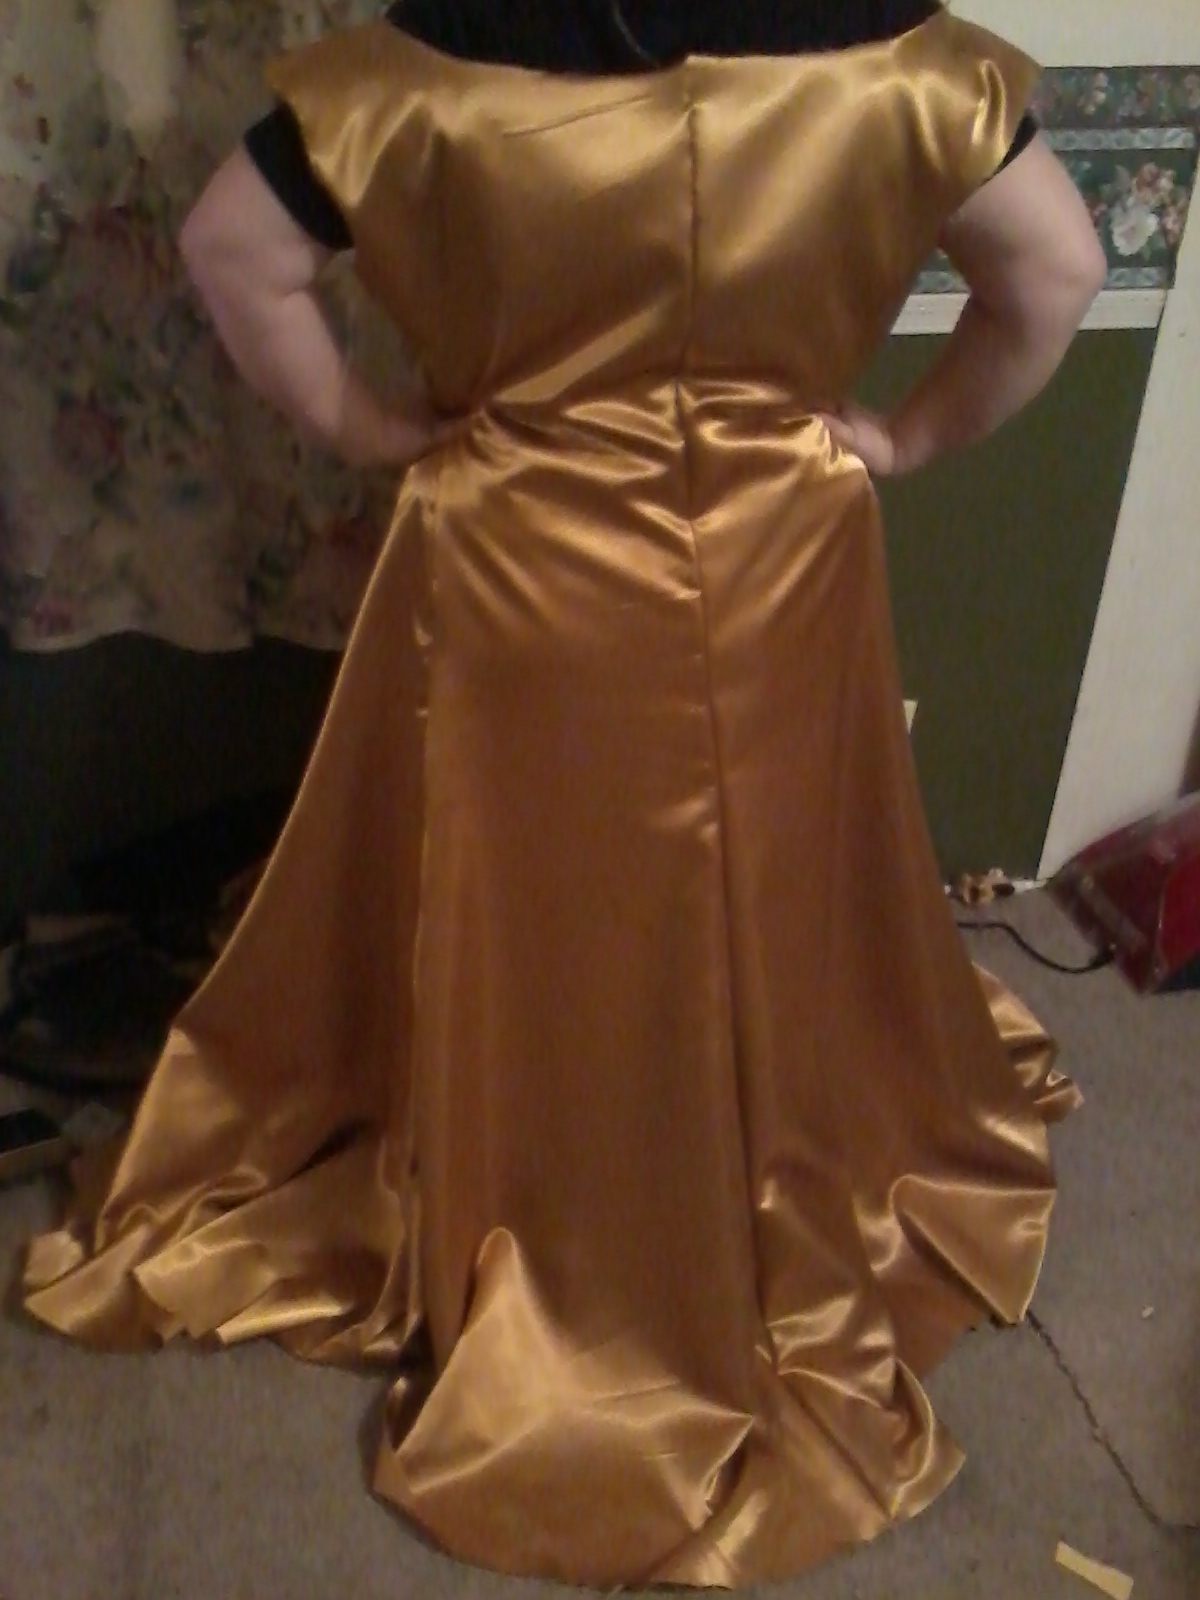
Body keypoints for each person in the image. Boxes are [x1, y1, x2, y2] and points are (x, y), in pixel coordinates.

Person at [24, 1, 1103, 1587]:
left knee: (517, 912)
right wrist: (900, 438)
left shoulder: (433, 54)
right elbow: (1058, 271)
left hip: (515, 556)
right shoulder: (903, 58)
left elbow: (229, 248)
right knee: (757, 897)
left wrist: (368, 427)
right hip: (778, 557)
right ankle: (746, 1193)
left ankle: (516, 1197)